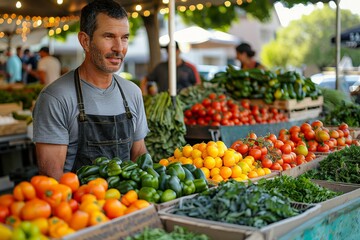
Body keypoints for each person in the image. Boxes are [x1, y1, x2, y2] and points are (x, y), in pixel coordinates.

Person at [32, 0, 149, 180]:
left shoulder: (132, 92)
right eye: (109, 36)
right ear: (85, 41)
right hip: (79, 204)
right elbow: (51, 177)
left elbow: (139, 152)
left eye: (124, 37)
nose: (119, 48)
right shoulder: (56, 98)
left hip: (127, 205)